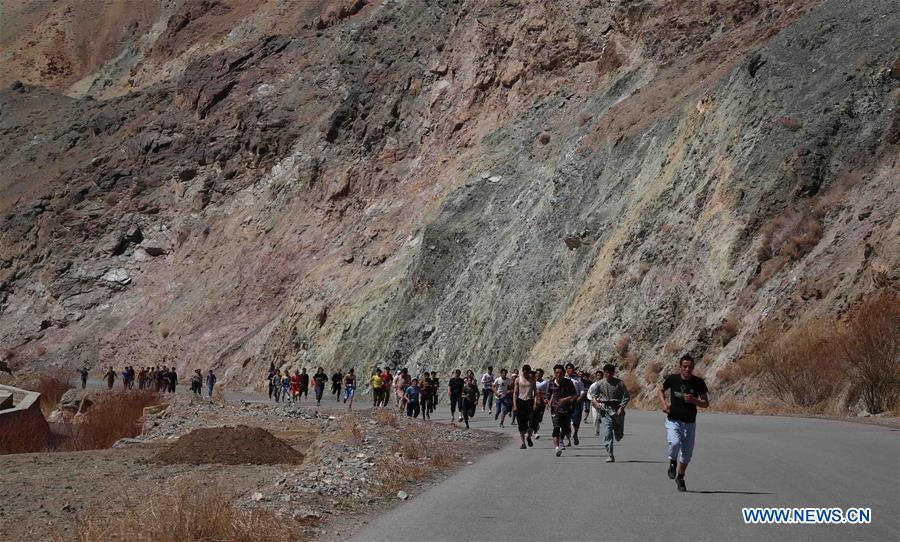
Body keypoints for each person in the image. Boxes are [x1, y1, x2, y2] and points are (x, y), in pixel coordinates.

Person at [658, 354, 709, 492]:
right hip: (674, 420)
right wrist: (664, 404)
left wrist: (694, 400)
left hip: (690, 422)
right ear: (680, 367)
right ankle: (672, 462)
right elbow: (661, 390)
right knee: (675, 442)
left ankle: (680, 477)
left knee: (687, 455)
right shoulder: (673, 379)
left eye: (690, 367)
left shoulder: (698, 383)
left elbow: (705, 403)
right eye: (685, 366)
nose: (688, 369)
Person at [589, 363, 630, 463]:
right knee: (607, 432)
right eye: (606, 373)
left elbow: (626, 396)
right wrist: (596, 403)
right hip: (605, 409)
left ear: (613, 373)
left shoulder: (619, 383)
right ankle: (610, 455)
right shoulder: (599, 384)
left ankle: (618, 434)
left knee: (619, 434)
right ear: (604, 373)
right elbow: (593, 396)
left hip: (617, 409)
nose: (608, 375)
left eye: (610, 373)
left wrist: (621, 407)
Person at [548, 364, 577, 457]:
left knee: (565, 429)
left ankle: (562, 437)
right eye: (556, 373)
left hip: (566, 409)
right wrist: (546, 401)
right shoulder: (551, 383)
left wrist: (565, 400)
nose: (558, 375)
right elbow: (547, 395)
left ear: (564, 373)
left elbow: (574, 395)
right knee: (556, 427)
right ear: (554, 373)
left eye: (560, 373)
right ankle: (557, 448)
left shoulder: (568, 382)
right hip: (555, 410)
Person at [512, 364, 537, 449]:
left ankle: (529, 437)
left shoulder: (532, 380)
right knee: (521, 424)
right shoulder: (518, 379)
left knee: (533, 422)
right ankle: (523, 443)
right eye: (525, 372)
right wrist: (514, 405)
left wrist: (535, 403)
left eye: (528, 372)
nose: (526, 374)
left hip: (530, 401)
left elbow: (535, 393)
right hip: (520, 402)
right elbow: (515, 393)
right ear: (523, 371)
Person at [565, 363, 586, 446]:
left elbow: (582, 390)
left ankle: (575, 434)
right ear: (566, 369)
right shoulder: (563, 379)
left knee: (576, 420)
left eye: (572, 368)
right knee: (566, 421)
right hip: (566, 401)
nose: (571, 370)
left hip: (576, 401)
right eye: (569, 368)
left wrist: (579, 398)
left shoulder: (578, 379)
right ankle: (568, 439)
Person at [532, 368, 548, 439]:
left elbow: (547, 392)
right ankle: (535, 432)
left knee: (539, 418)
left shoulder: (544, 382)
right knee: (533, 417)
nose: (538, 375)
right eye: (537, 373)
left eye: (539, 374)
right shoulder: (531, 381)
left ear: (542, 375)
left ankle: (536, 424)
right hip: (532, 402)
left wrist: (541, 393)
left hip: (541, 402)